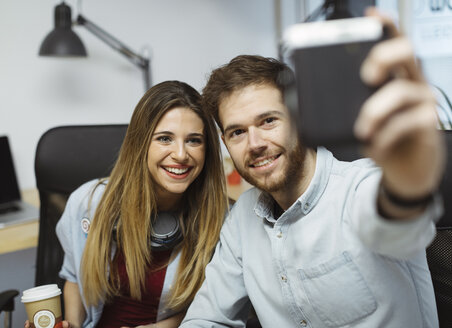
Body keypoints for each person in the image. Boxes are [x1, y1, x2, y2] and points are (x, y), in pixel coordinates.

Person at [180, 10, 445, 328]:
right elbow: (208, 317)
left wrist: (407, 182)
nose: (255, 143)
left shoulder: (360, 188)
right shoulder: (243, 220)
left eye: (268, 121)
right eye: (237, 132)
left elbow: (398, 227)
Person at [26, 81, 228, 328]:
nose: (181, 154)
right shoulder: (87, 203)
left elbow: (218, 308)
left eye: (194, 140)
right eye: (165, 138)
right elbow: (74, 279)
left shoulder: (222, 221)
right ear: (140, 144)